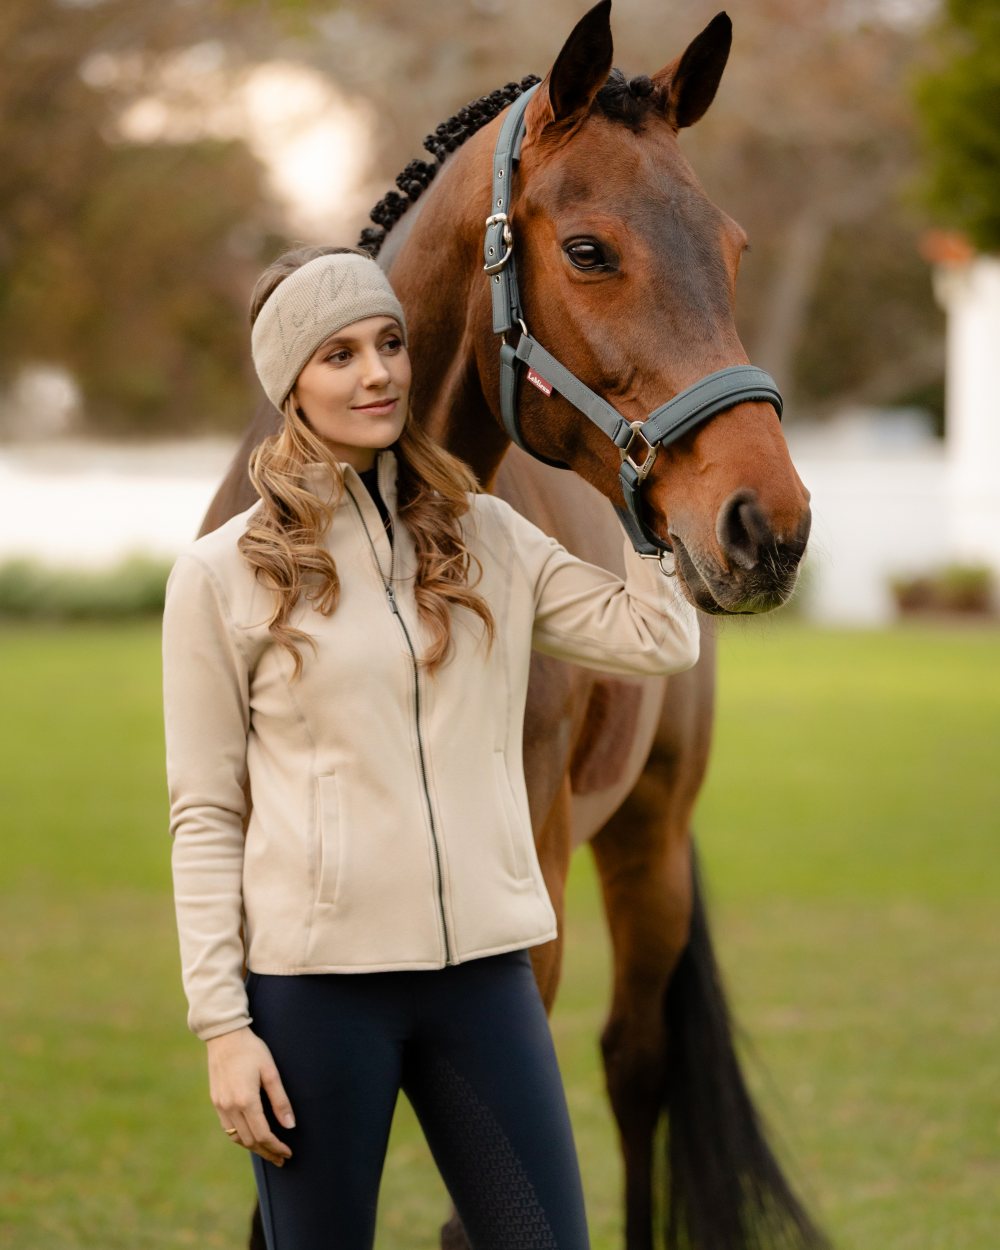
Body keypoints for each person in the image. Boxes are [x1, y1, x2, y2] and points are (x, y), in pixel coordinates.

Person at [161, 244, 700, 1250]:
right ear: (290, 382)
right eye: (338, 354)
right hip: (314, 994)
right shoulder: (219, 575)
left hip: (486, 983)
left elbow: (658, 636)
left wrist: (636, 478)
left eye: (390, 344)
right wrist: (224, 1028)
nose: (376, 373)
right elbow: (205, 811)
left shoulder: (486, 535)